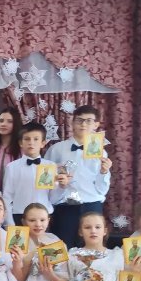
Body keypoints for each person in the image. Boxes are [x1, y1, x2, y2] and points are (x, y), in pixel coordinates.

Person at [46, 105, 113, 249]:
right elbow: (46, 182)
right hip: (65, 207)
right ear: (72, 122)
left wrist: (104, 172)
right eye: (79, 120)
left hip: (92, 205)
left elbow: (102, 190)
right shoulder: (56, 149)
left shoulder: (101, 152)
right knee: (63, 248)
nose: (83, 124)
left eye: (89, 121)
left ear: (96, 124)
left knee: (93, 249)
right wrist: (60, 184)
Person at [11, 203, 69, 281]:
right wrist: (22, 261)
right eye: (32, 220)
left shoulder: (56, 243)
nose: (38, 224)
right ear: (23, 221)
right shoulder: (17, 244)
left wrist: (50, 274)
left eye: (42, 220)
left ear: (48, 220)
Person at [63, 212, 123, 281]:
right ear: (80, 232)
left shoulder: (117, 256)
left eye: (98, 227)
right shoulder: (72, 256)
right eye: (87, 227)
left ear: (105, 231)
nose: (93, 231)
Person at [2, 122, 59, 225]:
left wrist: (59, 186)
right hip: (19, 215)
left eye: (36, 139)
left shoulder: (51, 166)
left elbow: (53, 197)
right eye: (27, 139)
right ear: (21, 143)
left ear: (43, 143)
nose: (31, 143)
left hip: (44, 216)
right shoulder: (12, 167)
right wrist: (9, 222)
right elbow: (7, 197)